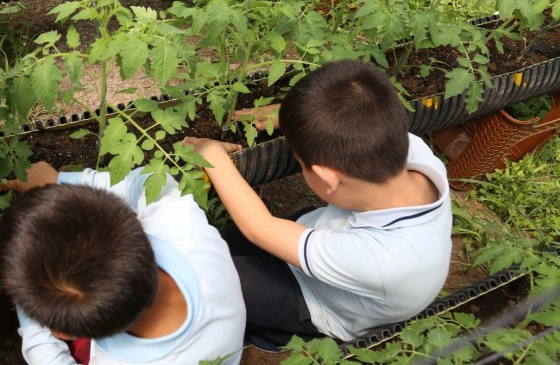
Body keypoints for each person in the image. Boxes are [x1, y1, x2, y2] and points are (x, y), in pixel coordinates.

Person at [184, 59, 452, 348]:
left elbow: (259, 227)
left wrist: (211, 154)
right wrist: (295, 118)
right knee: (218, 245)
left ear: (326, 179)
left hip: (317, 301)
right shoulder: (413, 151)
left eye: (300, 164)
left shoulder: (384, 260)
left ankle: (266, 331)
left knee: (204, 282)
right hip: (328, 233)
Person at [0, 162, 247, 364]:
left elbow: (48, 357)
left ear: (61, 333)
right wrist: (60, 180)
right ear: (127, 217)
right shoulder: (185, 229)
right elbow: (151, 181)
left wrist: (28, 307)